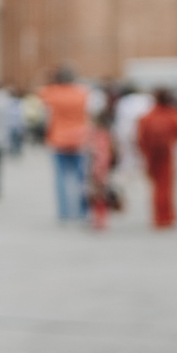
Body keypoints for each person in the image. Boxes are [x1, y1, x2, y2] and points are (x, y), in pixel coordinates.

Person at [39, 65, 91, 222]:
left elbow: (46, 117)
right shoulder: (83, 93)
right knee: (82, 178)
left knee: (61, 178)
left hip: (58, 139)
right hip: (80, 139)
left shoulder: (50, 93)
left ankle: (64, 212)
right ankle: (83, 210)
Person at [136, 88, 177, 229]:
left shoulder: (147, 116)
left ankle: (158, 217)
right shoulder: (173, 115)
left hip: (151, 154)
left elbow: (140, 138)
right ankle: (167, 216)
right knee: (166, 186)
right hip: (167, 153)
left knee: (156, 187)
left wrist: (144, 153)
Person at [86, 103, 118, 231]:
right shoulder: (109, 135)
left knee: (97, 194)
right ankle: (102, 218)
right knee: (102, 194)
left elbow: (94, 152)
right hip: (105, 167)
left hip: (97, 167)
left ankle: (98, 219)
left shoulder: (96, 135)